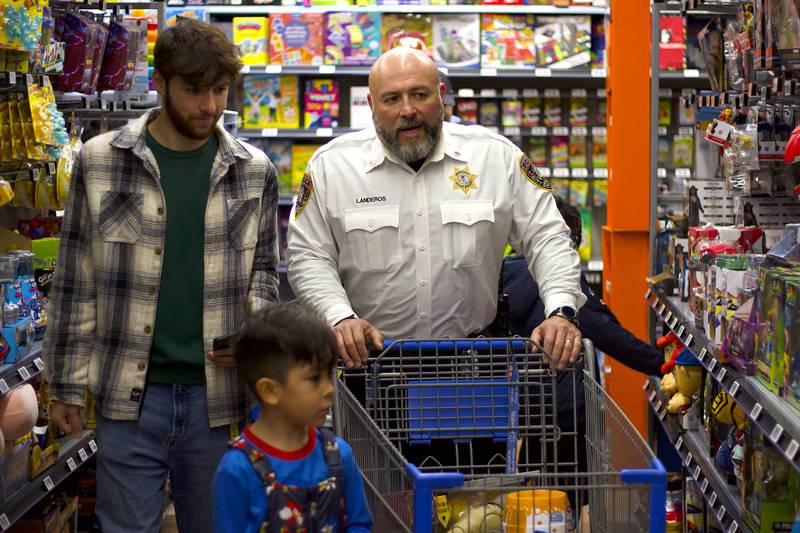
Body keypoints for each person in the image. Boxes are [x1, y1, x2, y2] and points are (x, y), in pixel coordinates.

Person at [43, 18, 280, 533]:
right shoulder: (101, 160)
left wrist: (252, 333)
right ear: (161, 80)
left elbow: (264, 271)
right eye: (195, 91)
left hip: (217, 396)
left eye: (220, 90)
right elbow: (75, 278)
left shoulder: (254, 169)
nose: (211, 106)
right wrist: (63, 383)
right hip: (129, 394)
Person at [287, 47, 585, 372]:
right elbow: (309, 256)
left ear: (441, 96)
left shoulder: (495, 158)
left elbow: (549, 238)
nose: (408, 110)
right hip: (369, 365)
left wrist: (560, 311)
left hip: (473, 368)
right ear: (372, 106)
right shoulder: (332, 167)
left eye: (419, 94)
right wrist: (339, 316)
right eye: (392, 99)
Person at [502, 196, 663, 488]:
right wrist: (660, 363)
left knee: (534, 486)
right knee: (571, 494)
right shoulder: (565, 286)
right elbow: (609, 335)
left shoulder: (502, 273)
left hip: (525, 407)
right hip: (567, 411)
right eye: (573, 237)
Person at [213, 303, 373, 533]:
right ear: (270, 390)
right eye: (314, 379)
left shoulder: (339, 456)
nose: (329, 389)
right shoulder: (237, 471)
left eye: (330, 376)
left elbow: (360, 524)